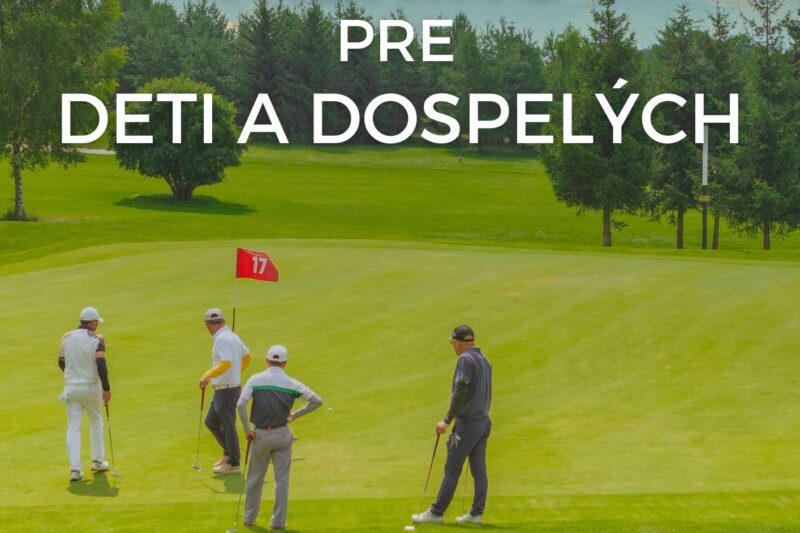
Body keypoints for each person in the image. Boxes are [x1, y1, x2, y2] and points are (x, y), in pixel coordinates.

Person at [412, 325, 493, 525]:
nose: (452, 346)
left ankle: (436, 513)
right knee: (479, 469)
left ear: (457, 342)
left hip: (468, 424)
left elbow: (460, 391)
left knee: (452, 469)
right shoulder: (485, 360)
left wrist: (447, 420)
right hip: (484, 422)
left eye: (452, 342)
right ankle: (476, 513)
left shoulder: (465, 359)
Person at [237, 345, 323, 530]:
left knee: (255, 479)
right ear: (285, 363)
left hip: (260, 435)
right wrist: (295, 415)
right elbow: (317, 401)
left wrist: (247, 430)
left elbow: (241, 404)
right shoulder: (292, 384)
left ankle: (249, 518)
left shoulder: (255, 379)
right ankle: (278, 522)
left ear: (267, 361)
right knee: (281, 481)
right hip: (282, 435)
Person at [58, 307, 112, 482]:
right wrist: (106, 388)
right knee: (96, 422)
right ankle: (98, 461)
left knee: (73, 427)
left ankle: (75, 469)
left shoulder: (66, 337)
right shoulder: (97, 338)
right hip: (91, 387)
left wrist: (73, 377)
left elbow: (61, 362)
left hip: (71, 389)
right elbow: (101, 363)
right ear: (93, 322)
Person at [199, 308, 251, 474]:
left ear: (209, 325)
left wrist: (207, 376)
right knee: (211, 422)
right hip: (226, 388)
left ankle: (234, 463)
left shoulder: (221, 339)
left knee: (228, 426)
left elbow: (226, 362)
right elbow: (247, 357)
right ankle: (228, 453)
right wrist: (236, 374)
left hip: (227, 390)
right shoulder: (232, 336)